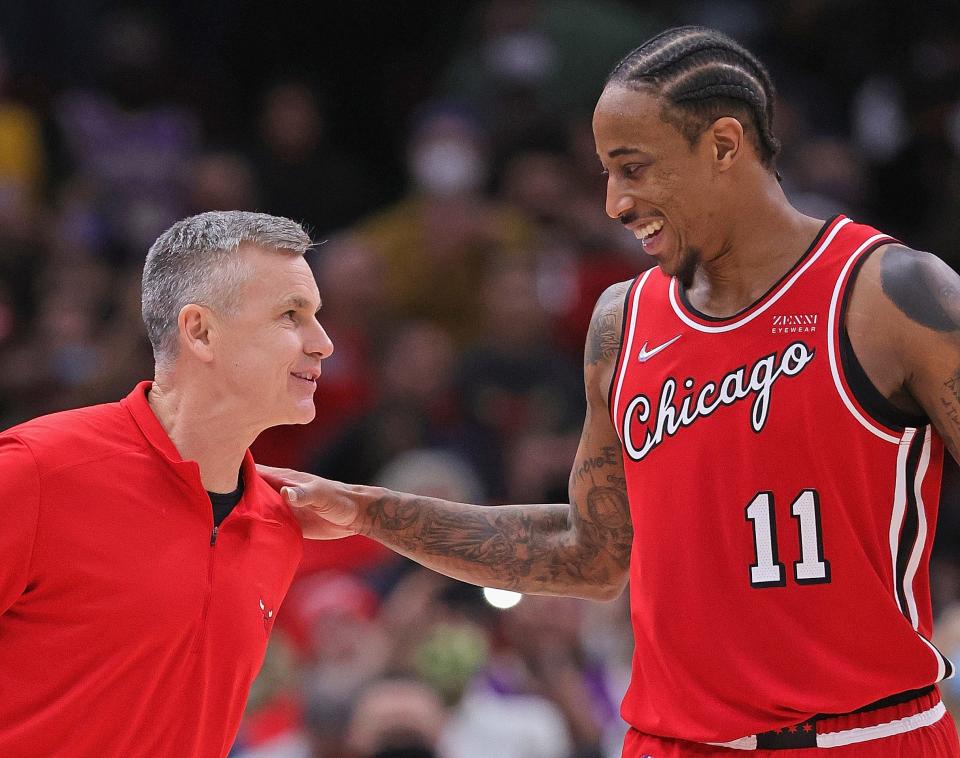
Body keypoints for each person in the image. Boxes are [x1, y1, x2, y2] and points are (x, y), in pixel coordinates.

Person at [260, 26, 960, 756]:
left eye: (633, 168)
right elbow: (590, 554)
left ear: (724, 145)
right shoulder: (622, 323)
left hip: (872, 734)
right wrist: (370, 511)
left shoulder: (891, 295)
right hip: (672, 741)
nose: (614, 203)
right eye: (605, 173)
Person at [0, 210, 333, 757]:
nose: (323, 343)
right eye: (291, 315)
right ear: (199, 330)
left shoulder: (279, 524)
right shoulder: (37, 472)